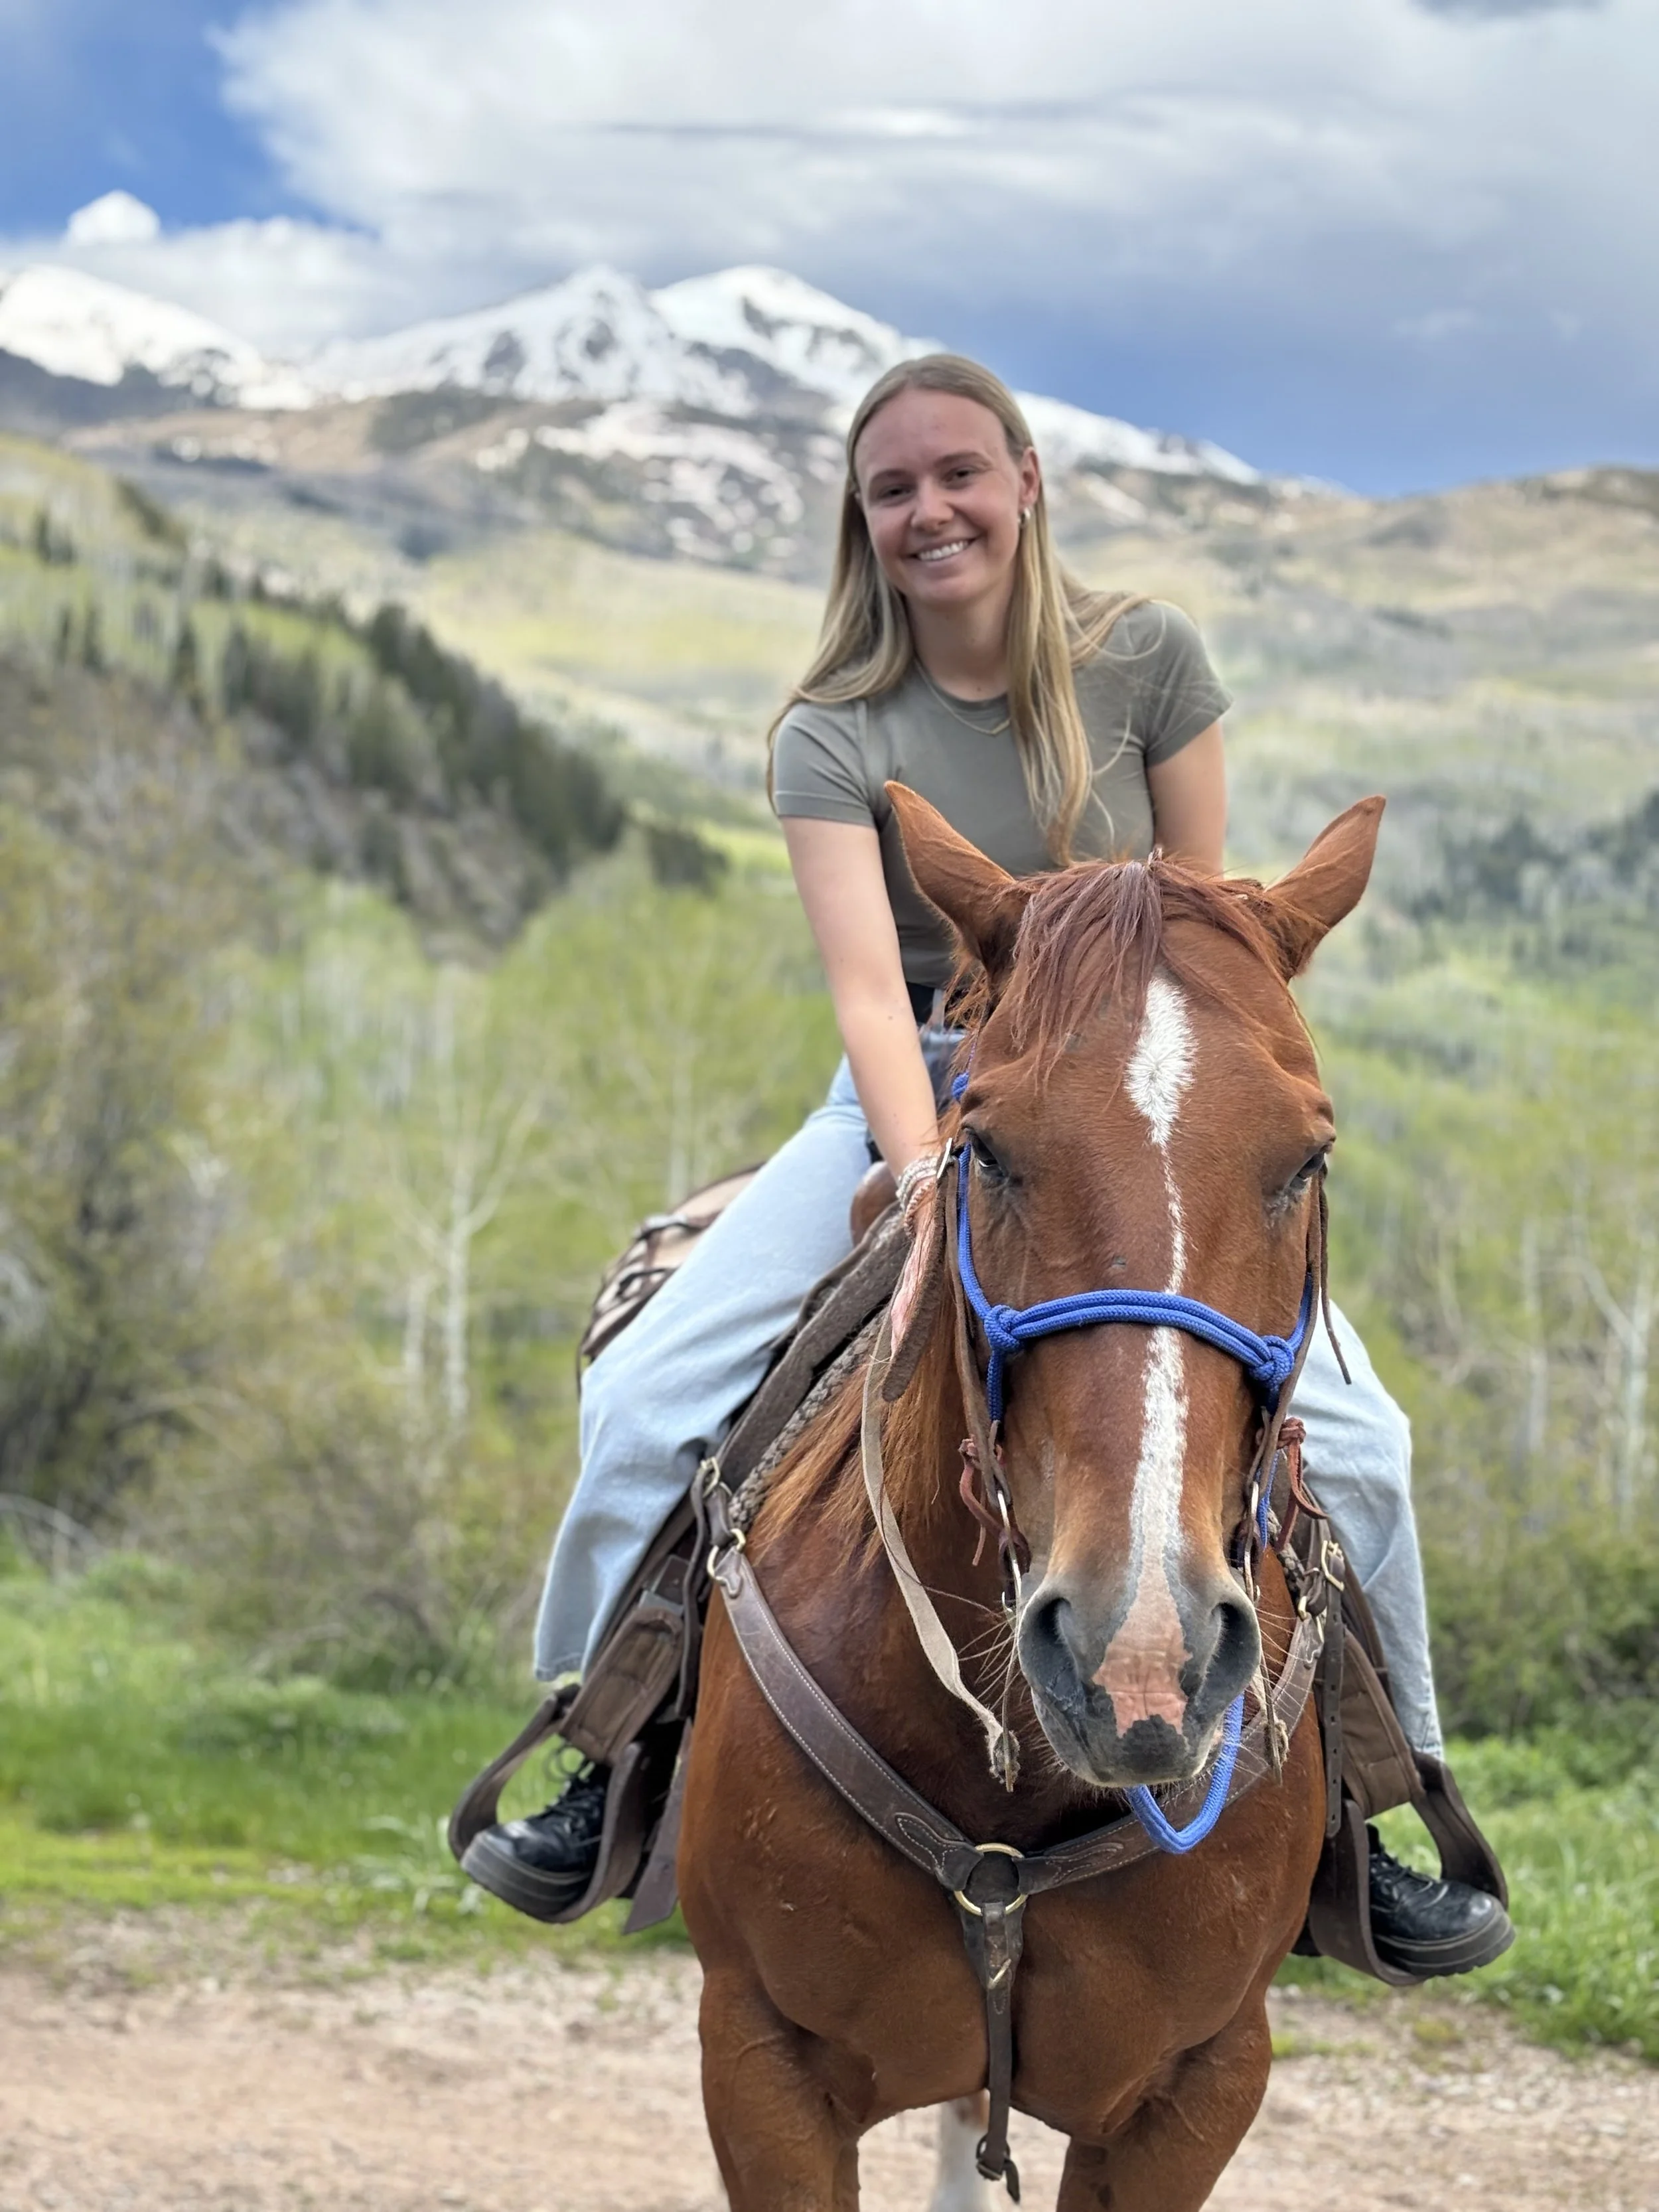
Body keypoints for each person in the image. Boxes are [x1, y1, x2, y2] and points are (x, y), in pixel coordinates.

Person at [465, 355, 1510, 1978]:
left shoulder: (1147, 661)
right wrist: (924, 1171)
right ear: (860, 519)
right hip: (916, 1087)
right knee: (648, 1399)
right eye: (890, 488)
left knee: (1362, 1448)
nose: (927, 510)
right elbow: (866, 993)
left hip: (1133, 1104)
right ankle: (602, 1752)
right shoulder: (829, 732)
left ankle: (1374, 1806)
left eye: (957, 472)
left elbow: (1204, 941)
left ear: (1025, 479)